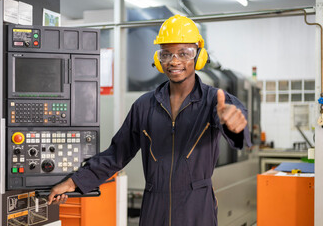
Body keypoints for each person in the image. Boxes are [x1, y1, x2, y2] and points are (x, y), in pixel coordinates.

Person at [47, 15, 251, 226]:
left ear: (198, 56)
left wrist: (234, 125)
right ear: (158, 59)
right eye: (166, 54)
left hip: (197, 207)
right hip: (155, 206)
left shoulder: (214, 101)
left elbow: (237, 119)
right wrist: (74, 182)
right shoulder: (144, 105)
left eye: (184, 53)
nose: (174, 61)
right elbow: (117, 154)